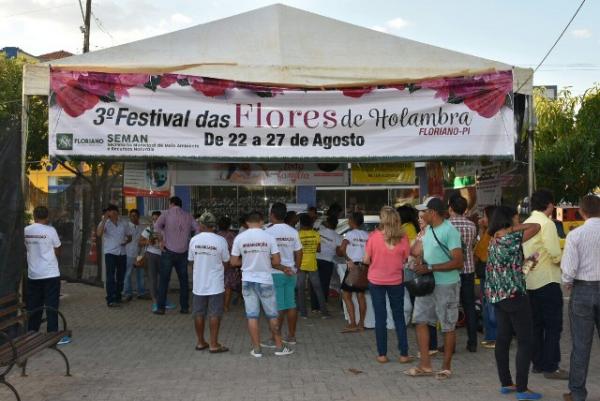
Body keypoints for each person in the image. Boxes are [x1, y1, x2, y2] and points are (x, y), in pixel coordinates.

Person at [486, 206, 542, 401]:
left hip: (499, 296)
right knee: (525, 340)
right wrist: (513, 228)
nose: (520, 222)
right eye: (517, 218)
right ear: (509, 219)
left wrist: (527, 263)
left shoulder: (493, 241)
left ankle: (506, 383)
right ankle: (522, 388)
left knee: (503, 337)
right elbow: (535, 226)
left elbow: (509, 268)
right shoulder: (510, 237)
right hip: (514, 296)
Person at [406, 197, 463, 380]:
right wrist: (419, 240)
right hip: (427, 284)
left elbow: (458, 261)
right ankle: (425, 365)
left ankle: (446, 367)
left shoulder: (450, 231)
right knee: (420, 320)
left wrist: (431, 267)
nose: (421, 215)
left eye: (424, 211)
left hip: (446, 284)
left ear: (433, 212)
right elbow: (414, 252)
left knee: (447, 325)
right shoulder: (428, 230)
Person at [230, 211, 294, 357]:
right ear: (261, 222)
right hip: (265, 280)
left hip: (247, 280)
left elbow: (233, 262)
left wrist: (246, 261)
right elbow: (277, 262)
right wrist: (266, 261)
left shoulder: (240, 238)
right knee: (272, 315)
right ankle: (279, 347)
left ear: (247, 223)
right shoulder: (269, 237)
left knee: (252, 316)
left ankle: (257, 349)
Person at [523, 189, 567, 379]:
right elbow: (554, 253)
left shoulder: (526, 224)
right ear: (549, 204)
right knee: (553, 326)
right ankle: (551, 366)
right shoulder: (546, 224)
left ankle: (538, 363)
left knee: (536, 325)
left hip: (531, 281)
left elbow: (529, 256)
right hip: (548, 281)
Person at [561, 195, 600, 401]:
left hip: (583, 290)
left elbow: (569, 269)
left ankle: (577, 393)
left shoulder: (575, 235)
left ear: (582, 212)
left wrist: (567, 283)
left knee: (581, 345)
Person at [363, 206, 412, 364]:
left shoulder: (373, 237)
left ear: (382, 220)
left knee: (380, 318)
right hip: (396, 281)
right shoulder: (403, 238)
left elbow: (365, 260)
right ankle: (404, 354)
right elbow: (406, 258)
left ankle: (382, 354)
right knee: (398, 317)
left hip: (376, 281)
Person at [24, 206, 70, 345]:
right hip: (50, 273)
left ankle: (32, 333)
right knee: (51, 305)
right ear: (47, 216)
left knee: (34, 305)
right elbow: (58, 249)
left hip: (33, 274)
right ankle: (53, 335)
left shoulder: (27, 230)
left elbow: (26, 247)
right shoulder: (50, 231)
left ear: (34, 215)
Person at [189, 212, 230, 353]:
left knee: (198, 313)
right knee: (214, 314)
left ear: (202, 225)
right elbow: (226, 262)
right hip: (215, 284)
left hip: (199, 283)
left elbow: (191, 261)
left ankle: (200, 342)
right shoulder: (220, 241)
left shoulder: (194, 240)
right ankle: (213, 344)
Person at [153, 196, 200, 315]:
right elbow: (198, 229)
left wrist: (162, 239)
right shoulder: (188, 215)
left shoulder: (166, 214)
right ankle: (184, 308)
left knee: (164, 280)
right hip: (183, 252)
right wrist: (191, 242)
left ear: (172, 204)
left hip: (168, 251)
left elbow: (156, 226)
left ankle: (160, 308)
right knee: (184, 281)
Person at [265, 203, 303, 345]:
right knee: (291, 304)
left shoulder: (268, 232)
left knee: (279, 306)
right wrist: (296, 269)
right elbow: (299, 252)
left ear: (272, 214)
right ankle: (291, 336)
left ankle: (275, 338)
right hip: (291, 272)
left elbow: (267, 255)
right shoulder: (293, 231)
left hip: (275, 272)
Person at [448, 195, 478, 352]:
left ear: (450, 208)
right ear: (465, 209)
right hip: (468, 270)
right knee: (469, 306)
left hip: (451, 270)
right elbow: (471, 246)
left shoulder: (446, 225)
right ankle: (472, 343)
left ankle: (450, 345)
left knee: (451, 306)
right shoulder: (472, 225)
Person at [407, 209, 439, 356]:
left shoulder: (428, 234)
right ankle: (429, 346)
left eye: (422, 218)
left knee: (424, 314)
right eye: (418, 217)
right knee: (425, 313)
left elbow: (415, 252)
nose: (419, 220)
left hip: (428, 277)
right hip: (422, 275)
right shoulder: (423, 233)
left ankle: (430, 347)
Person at [337, 211, 368, 333]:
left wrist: (348, 259)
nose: (348, 221)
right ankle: (361, 324)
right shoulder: (367, 235)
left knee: (346, 294)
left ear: (352, 221)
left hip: (353, 267)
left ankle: (353, 323)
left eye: (349, 219)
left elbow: (341, 249)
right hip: (364, 266)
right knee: (361, 295)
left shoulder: (349, 235)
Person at [97, 204, 131, 307]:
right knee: (110, 277)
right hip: (110, 253)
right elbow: (99, 234)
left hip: (122, 253)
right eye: (110, 213)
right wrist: (104, 220)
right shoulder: (105, 223)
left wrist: (126, 242)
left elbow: (130, 237)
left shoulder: (124, 223)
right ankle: (110, 299)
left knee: (121, 276)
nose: (113, 215)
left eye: (115, 212)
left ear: (117, 213)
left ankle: (118, 296)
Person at [297, 213, 329, 318]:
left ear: (301, 223)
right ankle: (324, 313)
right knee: (318, 289)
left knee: (300, 290)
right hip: (312, 264)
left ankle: (303, 314)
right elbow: (319, 249)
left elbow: (296, 251)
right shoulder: (316, 234)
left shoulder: (297, 235)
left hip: (300, 265)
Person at [475, 205, 498, 349]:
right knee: (486, 306)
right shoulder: (488, 232)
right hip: (485, 273)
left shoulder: (493, 233)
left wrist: (483, 231)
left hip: (492, 273)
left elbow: (479, 252)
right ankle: (490, 336)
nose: (482, 219)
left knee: (491, 307)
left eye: (484, 217)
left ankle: (495, 337)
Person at [311, 214, 342, 312]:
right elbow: (339, 252)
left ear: (327, 223)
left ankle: (314, 307)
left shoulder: (319, 232)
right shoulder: (338, 237)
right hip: (328, 262)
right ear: (336, 225)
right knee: (324, 284)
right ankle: (322, 306)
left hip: (315, 259)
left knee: (314, 283)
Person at [217, 215, 240, 312]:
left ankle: (218, 305)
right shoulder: (233, 236)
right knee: (228, 286)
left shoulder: (216, 236)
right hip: (230, 263)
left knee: (218, 285)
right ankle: (226, 306)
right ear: (229, 225)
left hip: (217, 263)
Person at [123, 209, 147, 301]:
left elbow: (143, 241)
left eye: (135, 215)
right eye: (131, 215)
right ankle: (127, 293)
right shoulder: (126, 227)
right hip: (128, 253)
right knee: (128, 274)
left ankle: (141, 293)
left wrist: (142, 254)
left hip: (139, 254)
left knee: (140, 274)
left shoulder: (142, 228)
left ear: (138, 216)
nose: (133, 217)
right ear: (129, 217)